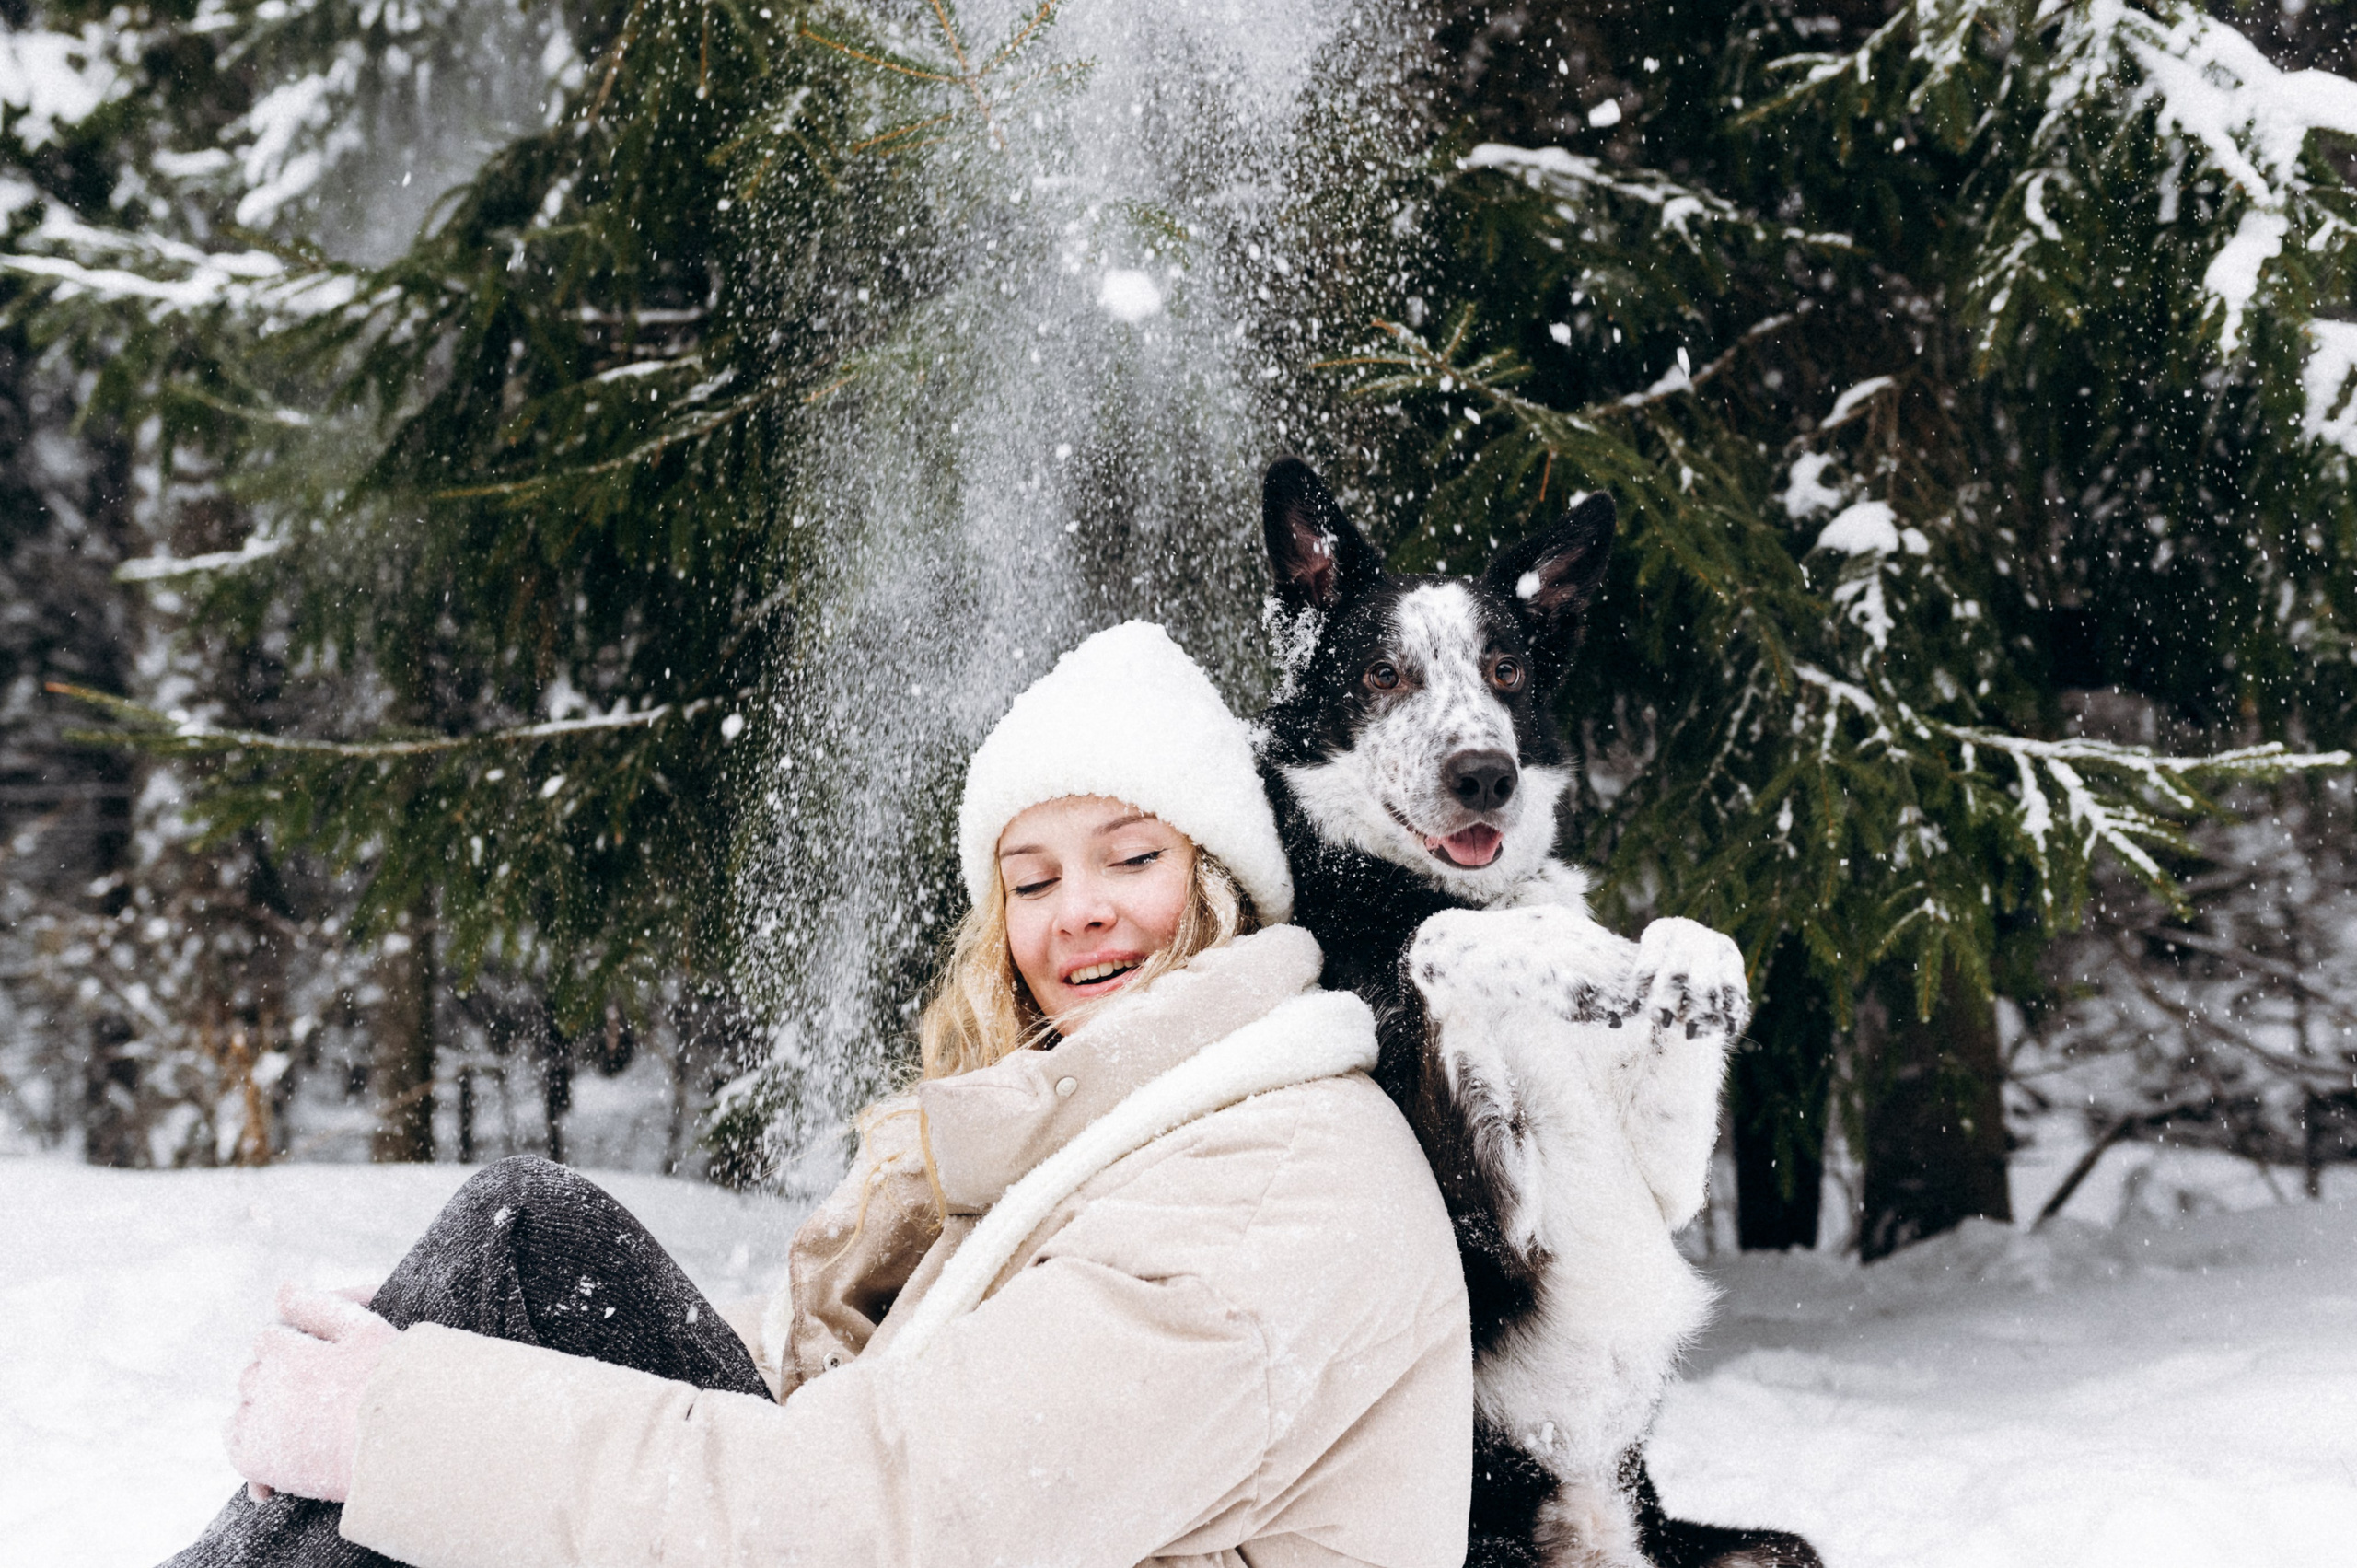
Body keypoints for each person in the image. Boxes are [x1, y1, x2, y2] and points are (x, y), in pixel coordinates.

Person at [171, 621, 1472, 1568]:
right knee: (525, 1258)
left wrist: (407, 1426)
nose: (1077, 911)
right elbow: (857, 1391)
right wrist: (473, 1360)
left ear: (1224, 886)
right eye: (1030, 880)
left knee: (522, 1249)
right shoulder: (1135, 1129)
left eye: (1132, 858)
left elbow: (877, 1518)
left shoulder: (1274, 1188)